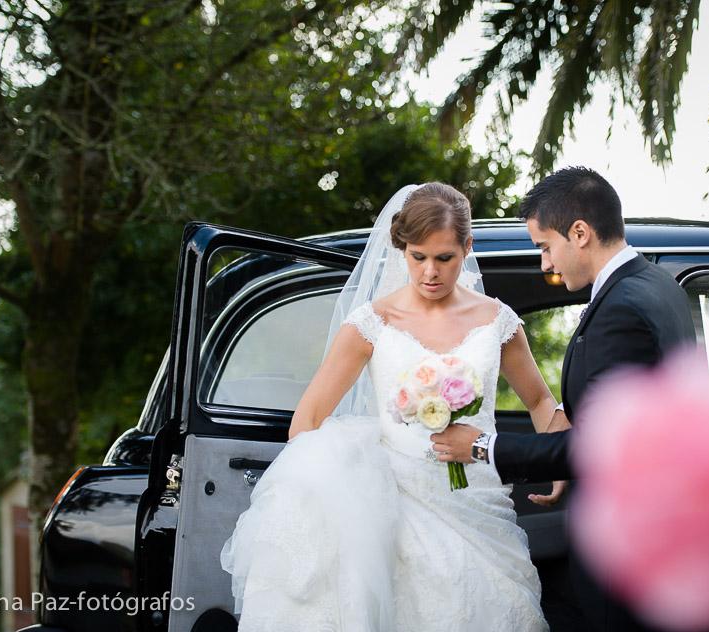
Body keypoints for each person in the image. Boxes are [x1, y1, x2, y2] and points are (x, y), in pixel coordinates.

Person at [220, 182, 559, 631]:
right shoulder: (372, 323)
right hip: (394, 507)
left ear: (467, 247)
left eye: (445, 258)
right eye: (418, 257)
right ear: (402, 249)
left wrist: (560, 462)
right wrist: (338, 490)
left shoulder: (497, 321)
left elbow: (538, 399)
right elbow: (309, 420)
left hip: (476, 500)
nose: (430, 272)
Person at [432, 167, 696, 631]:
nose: (546, 265)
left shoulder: (622, 309)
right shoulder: (658, 286)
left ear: (580, 232)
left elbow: (602, 449)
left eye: (544, 247)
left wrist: (479, 447)